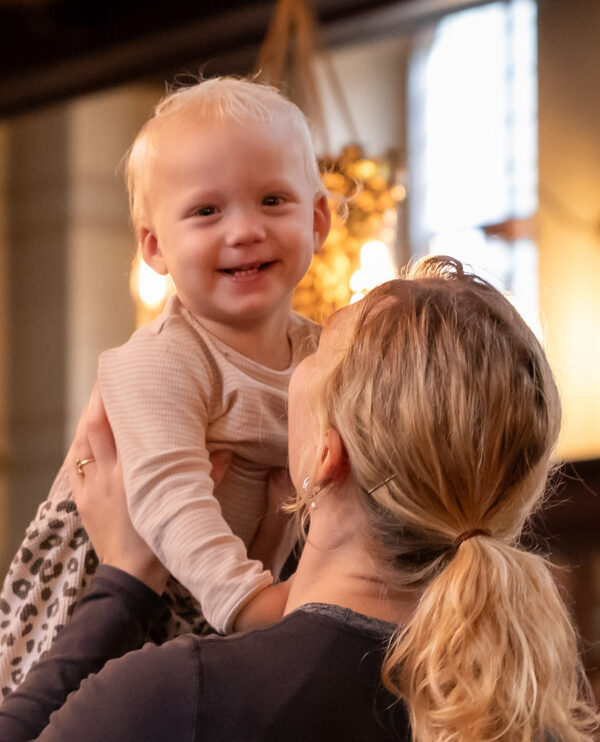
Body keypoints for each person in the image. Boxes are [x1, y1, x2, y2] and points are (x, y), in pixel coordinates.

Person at [1, 256, 598, 741]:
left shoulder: (178, 698)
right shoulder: (530, 706)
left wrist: (123, 585)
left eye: (313, 353)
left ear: (324, 457)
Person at [0, 76, 331, 695]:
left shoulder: (329, 354)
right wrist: (251, 599)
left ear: (318, 219)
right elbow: (168, 496)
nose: (244, 231)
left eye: (273, 201)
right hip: (101, 597)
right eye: (207, 211)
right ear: (154, 246)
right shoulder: (164, 358)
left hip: (218, 603)